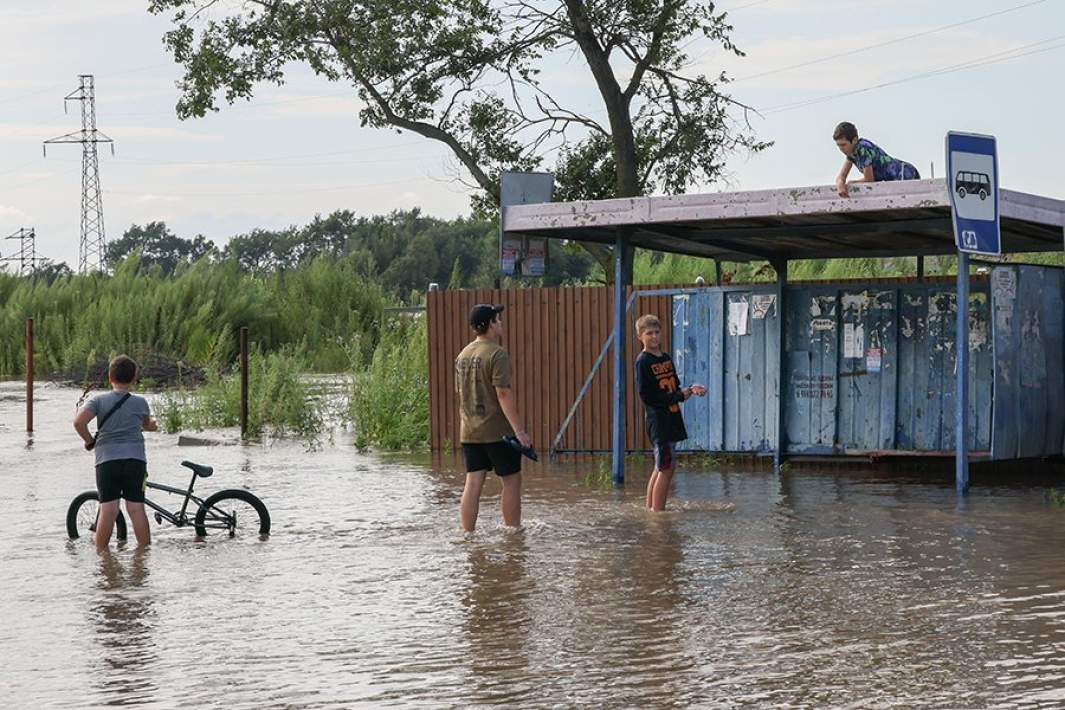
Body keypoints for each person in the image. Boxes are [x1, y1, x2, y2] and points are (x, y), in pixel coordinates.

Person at [455, 304, 532, 532]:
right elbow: (503, 393)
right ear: (490, 324)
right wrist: (519, 431)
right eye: (497, 320)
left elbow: (461, 393)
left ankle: (467, 533)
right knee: (511, 480)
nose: (500, 324)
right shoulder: (497, 354)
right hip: (498, 432)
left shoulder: (463, 355)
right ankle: (513, 532)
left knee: (473, 482)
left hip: (469, 431)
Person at [73, 355, 158, 549]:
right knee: (136, 509)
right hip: (135, 460)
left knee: (108, 510)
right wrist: (152, 426)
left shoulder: (98, 401)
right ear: (133, 379)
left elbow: (79, 422)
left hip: (107, 461)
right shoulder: (140, 402)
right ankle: (143, 557)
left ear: (110, 377)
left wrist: (89, 441)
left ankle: (102, 559)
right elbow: (146, 425)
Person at [634, 314, 705, 511]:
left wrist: (690, 390)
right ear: (640, 336)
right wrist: (677, 397)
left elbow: (676, 389)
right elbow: (647, 396)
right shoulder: (643, 362)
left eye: (657, 332)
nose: (654, 337)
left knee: (660, 466)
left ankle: (651, 509)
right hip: (659, 420)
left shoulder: (665, 358)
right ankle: (658, 515)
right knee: (667, 468)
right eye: (649, 333)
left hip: (672, 417)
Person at [833, 121, 920, 198]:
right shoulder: (852, 154)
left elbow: (869, 180)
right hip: (894, 179)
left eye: (843, 145)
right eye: (838, 145)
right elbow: (842, 175)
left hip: (904, 173)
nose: (841, 149)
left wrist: (852, 182)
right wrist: (840, 184)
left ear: (854, 140)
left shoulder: (863, 148)